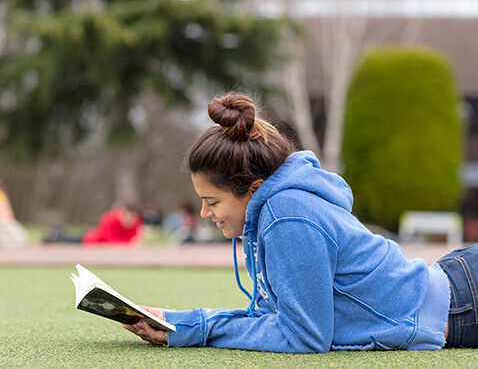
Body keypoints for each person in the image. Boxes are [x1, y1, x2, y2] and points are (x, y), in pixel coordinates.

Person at [123, 92, 478, 351]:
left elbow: (305, 337)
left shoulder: (287, 216)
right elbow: (272, 318)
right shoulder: (273, 211)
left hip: (463, 304)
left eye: (212, 201)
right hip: (457, 282)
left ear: (253, 189)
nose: (204, 214)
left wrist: (202, 328)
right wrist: (181, 323)